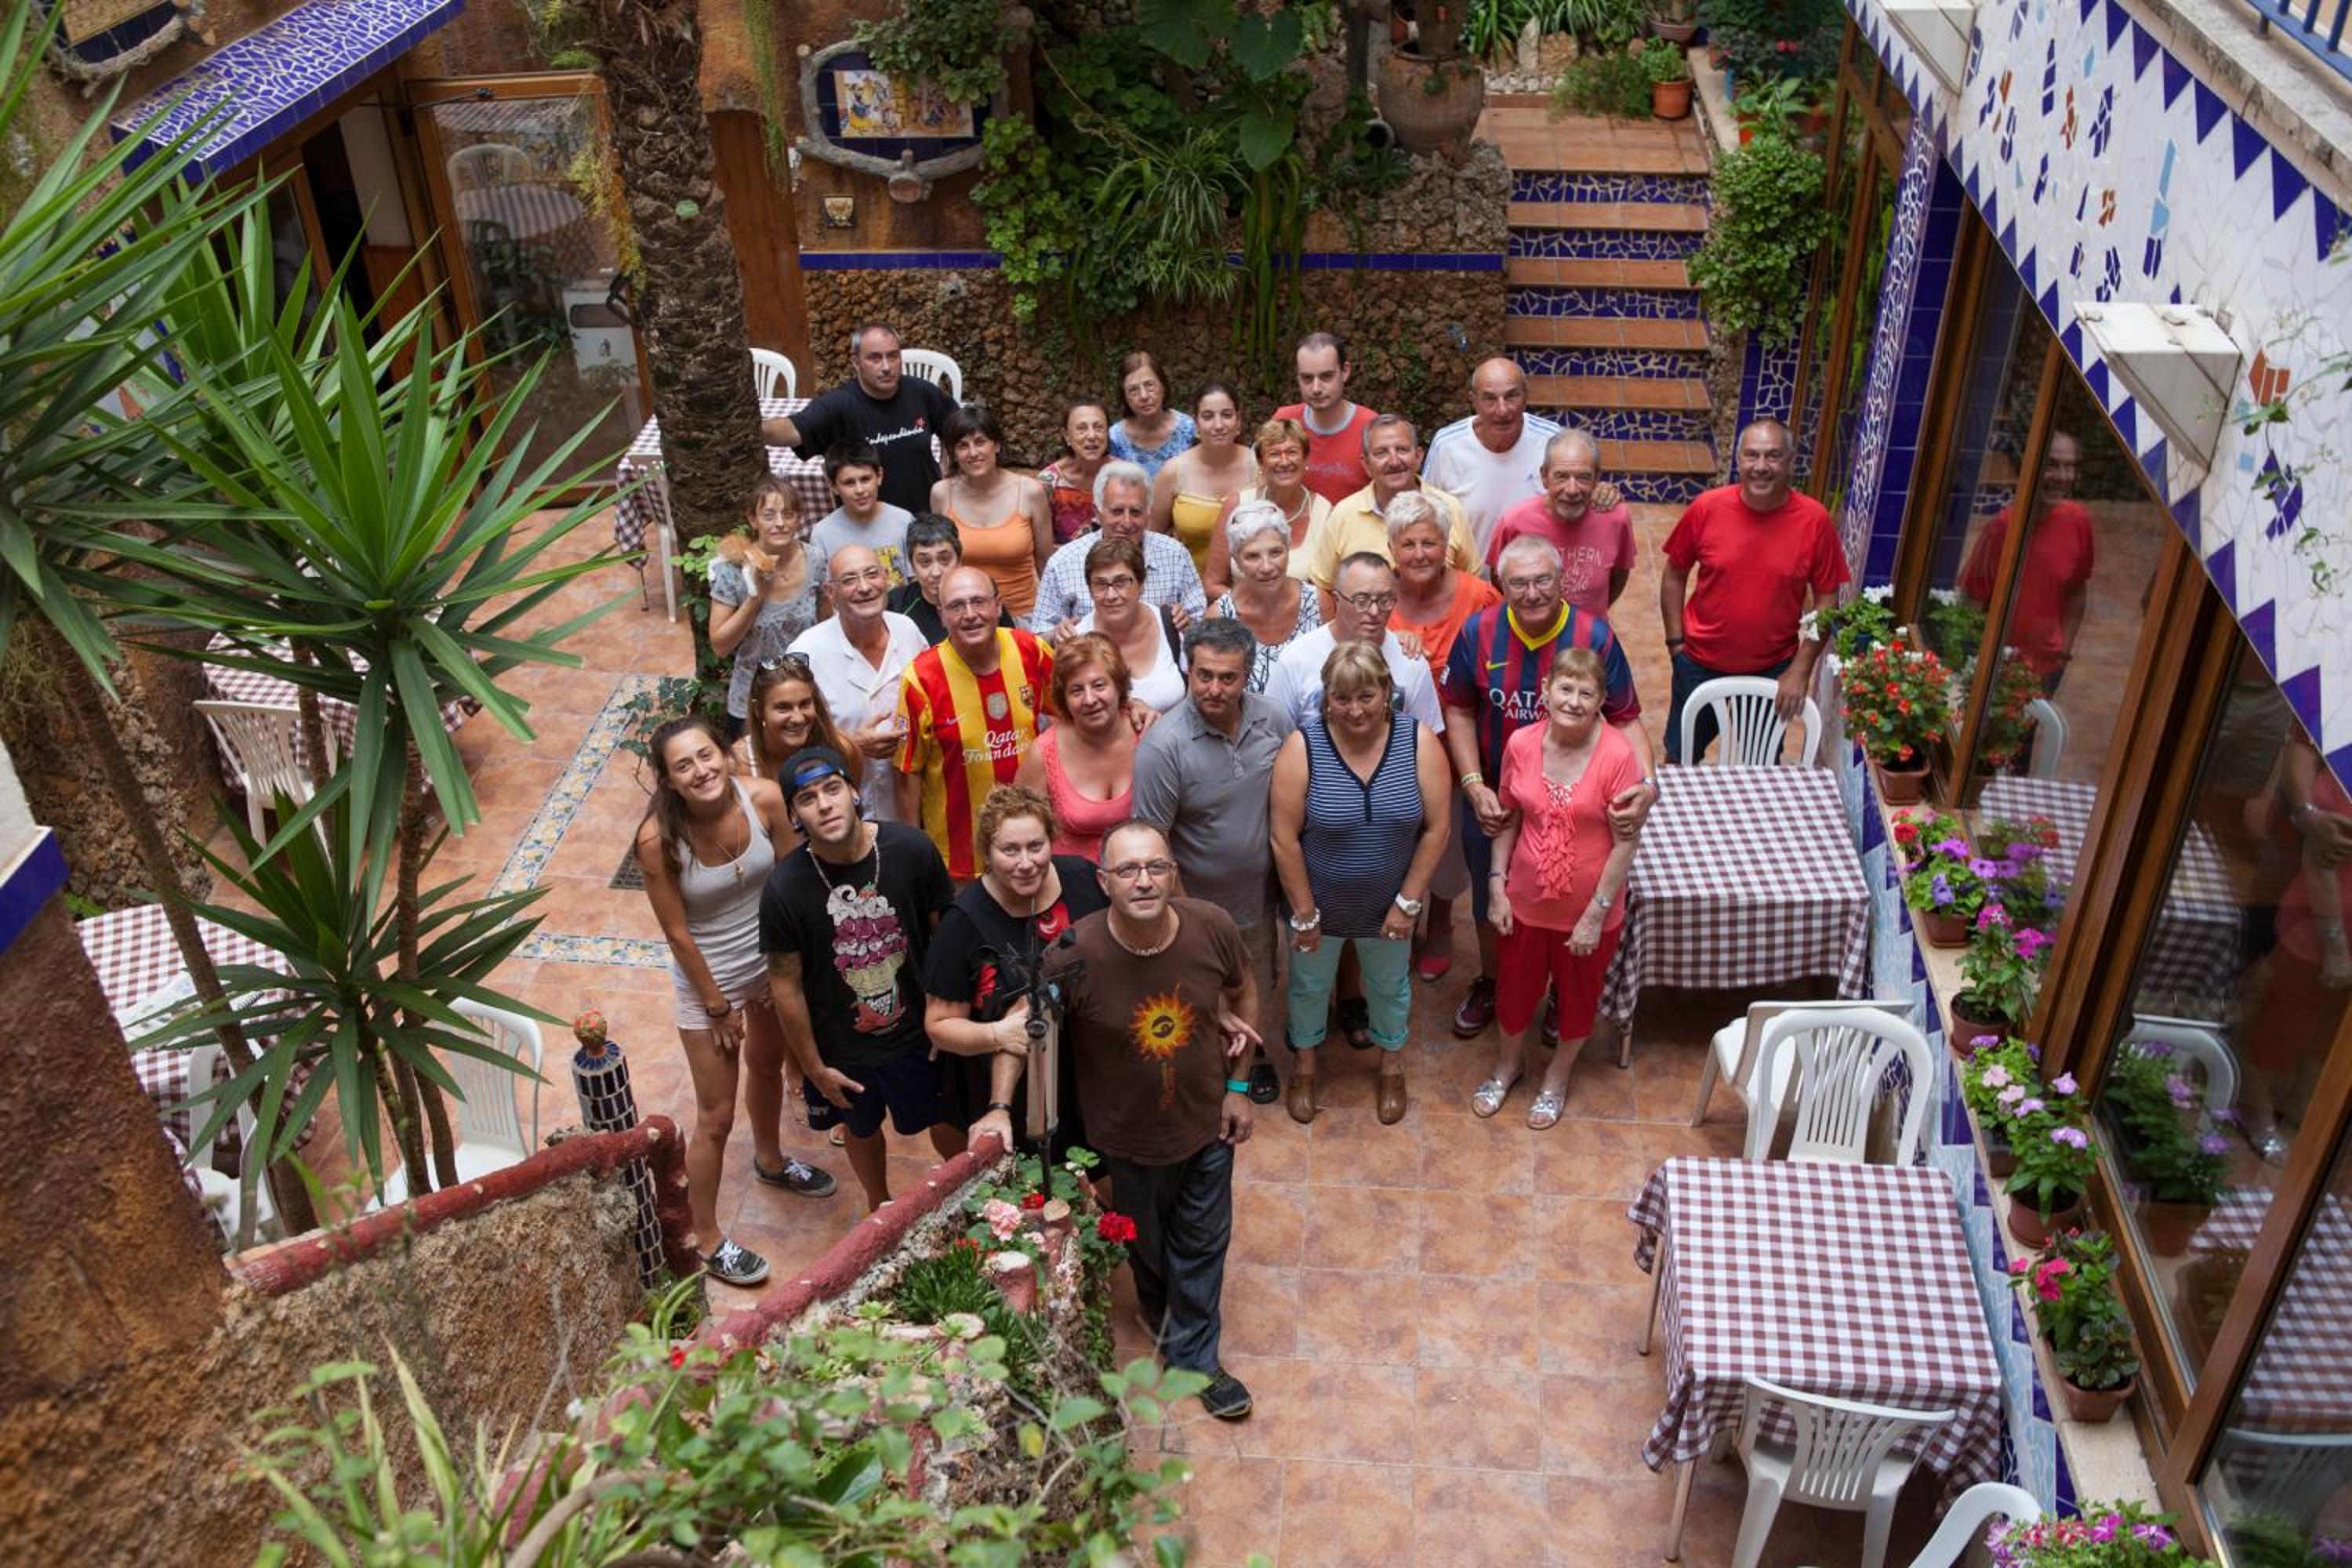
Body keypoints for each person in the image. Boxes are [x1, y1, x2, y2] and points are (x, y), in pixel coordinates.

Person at [1022, 818, 1258, 1422]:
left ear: (1173, 873)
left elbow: (1245, 990)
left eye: (1156, 866)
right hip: (1124, 1140)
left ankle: (1198, 1361)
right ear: (1104, 882)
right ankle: (1157, 1307)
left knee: (1202, 1245)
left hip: (1207, 1124)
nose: (1144, 880)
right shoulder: (1070, 955)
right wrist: (1033, 1129)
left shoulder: (1212, 926)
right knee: (1147, 1247)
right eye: (1128, 870)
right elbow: (1037, 1043)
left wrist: (1238, 1087)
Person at [636, 717, 834, 1290]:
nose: (701, 771)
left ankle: (771, 1161)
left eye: (707, 755)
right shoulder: (656, 840)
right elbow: (677, 933)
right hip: (710, 978)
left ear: (725, 754)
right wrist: (718, 1006)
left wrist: (788, 964)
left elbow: (795, 882)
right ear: (668, 781)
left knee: (768, 1066)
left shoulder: (765, 798)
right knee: (716, 1116)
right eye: (684, 765)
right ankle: (705, 1238)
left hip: (770, 959)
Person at [1443, 535, 1657, 1036]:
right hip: (1499, 800)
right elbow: (1458, 707)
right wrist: (1473, 785)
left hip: (1580, 802)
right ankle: (1494, 981)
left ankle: (1564, 989)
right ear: (1501, 584)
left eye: (1543, 580)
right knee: (1493, 896)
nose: (1532, 592)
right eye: (1519, 582)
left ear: (1562, 580)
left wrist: (1648, 785)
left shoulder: (1595, 636)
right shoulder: (1478, 632)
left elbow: (1625, 716)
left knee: (1571, 895)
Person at [762, 746, 960, 1210]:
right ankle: (878, 1204)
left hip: (918, 1033)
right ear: (793, 815)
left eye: (832, 789)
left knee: (946, 1118)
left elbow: (947, 939)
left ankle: (969, 1192)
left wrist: (947, 1022)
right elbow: (785, 985)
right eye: (807, 798)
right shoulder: (784, 889)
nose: (824, 805)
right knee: (861, 1126)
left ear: (854, 792)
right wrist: (813, 1066)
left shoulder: (911, 850)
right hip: (842, 1048)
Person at [1269, 644, 1451, 1127]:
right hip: (1318, 907)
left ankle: (1391, 1066)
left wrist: (1408, 904)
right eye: (1342, 697)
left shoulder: (1418, 742)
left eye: (1366, 696)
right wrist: (1304, 914)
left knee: (1390, 987)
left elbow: (1437, 828)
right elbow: (1283, 838)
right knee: (1308, 987)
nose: (1355, 710)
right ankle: (1305, 1068)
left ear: (1387, 693)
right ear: (1326, 698)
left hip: (1389, 906)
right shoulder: (1302, 748)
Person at [1475, 646, 1642, 1128]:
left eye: (1586, 693)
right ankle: (1509, 1065)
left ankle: (1557, 1077)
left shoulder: (1618, 756)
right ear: (1545, 692)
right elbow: (1509, 817)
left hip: (1589, 913)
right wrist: (1497, 886)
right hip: (1525, 904)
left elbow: (1625, 843)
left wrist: (1595, 914)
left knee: (1578, 1000)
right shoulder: (1522, 744)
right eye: (1565, 689)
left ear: (1601, 701)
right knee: (1513, 993)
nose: (1573, 701)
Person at [1132, 618, 1294, 1104]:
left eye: (1228, 677)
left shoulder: (1274, 720)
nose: (1214, 689)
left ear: (1248, 675)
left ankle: (1252, 1060)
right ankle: (1210, 1066)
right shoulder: (1163, 747)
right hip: (1196, 904)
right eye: (1204, 675)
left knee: (1256, 980)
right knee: (1204, 990)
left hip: (1260, 898)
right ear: (1188, 669)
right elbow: (1154, 843)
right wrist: (1186, 915)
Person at [921, 785, 1108, 1157]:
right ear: (988, 854)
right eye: (1010, 850)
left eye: (1036, 846)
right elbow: (939, 1026)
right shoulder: (963, 922)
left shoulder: (1084, 880)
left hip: (1085, 1069)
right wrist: (997, 1034)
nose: (1026, 863)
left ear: (1052, 841)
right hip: (1006, 1083)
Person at [1659, 419, 1849, 763]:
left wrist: (1801, 668)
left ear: (1791, 461)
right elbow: (1675, 573)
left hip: (1773, 668)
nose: (1761, 466)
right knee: (1679, 759)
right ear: (1738, 460)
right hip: (1698, 661)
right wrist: (1676, 644)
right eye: (1752, 455)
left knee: (1759, 765)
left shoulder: (1815, 521)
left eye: (1773, 456)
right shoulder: (1707, 508)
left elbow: (1827, 598)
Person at [1386, 491, 1501, 981]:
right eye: (1408, 544)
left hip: (1456, 753)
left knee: (1448, 845)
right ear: (1391, 549)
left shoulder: (1479, 597)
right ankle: (1401, 915)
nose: (1419, 554)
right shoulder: (1378, 597)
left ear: (1447, 545)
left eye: (1429, 543)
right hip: (1391, 753)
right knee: (1396, 841)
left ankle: (1439, 922)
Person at [894, 568, 1056, 881]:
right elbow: (907, 771)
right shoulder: (921, 678)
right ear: (941, 616)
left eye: (979, 601)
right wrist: (914, 853)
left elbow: (1071, 715)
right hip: (959, 861)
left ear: (998, 605)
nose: (970, 614)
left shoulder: (1032, 650)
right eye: (956, 606)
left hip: (1032, 850)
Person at [788, 546, 927, 820]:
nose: (864, 587)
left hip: (912, 806)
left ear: (886, 578)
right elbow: (787, 740)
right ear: (831, 592)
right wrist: (851, 745)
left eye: (872, 574)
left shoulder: (907, 630)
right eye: (849, 580)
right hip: (842, 814)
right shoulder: (807, 652)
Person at [762, 323, 956, 514]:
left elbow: (959, 427)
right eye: (875, 358)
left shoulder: (922, 392)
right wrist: (749, 429)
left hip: (925, 518)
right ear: (856, 363)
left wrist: (947, 469)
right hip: (866, 525)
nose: (886, 367)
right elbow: (790, 430)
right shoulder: (837, 405)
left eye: (893, 356)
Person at [1958, 429, 2095, 693]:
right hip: (1997, 674)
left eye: (2069, 467)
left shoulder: (2079, 521)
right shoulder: (2002, 528)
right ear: (2031, 466)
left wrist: (2062, 655)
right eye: (2052, 465)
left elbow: (2077, 592)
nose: (2062, 476)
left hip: (2045, 673)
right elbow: (1972, 604)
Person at [1293, 415, 1480, 596]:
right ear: (1366, 463)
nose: (1394, 461)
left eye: (1402, 450)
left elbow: (1472, 583)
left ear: (1418, 456)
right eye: (1381, 453)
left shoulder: (1449, 509)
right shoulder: (1344, 515)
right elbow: (1322, 590)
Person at [1262, 554, 1445, 734]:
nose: (1374, 611)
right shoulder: (1296, 659)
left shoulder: (1410, 659)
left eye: (1384, 601)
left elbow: (1426, 739)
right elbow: (1273, 736)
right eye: (1361, 601)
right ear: (1337, 600)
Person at [1030, 460, 1207, 637]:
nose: (1127, 522)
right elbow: (1039, 634)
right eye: (1117, 511)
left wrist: (1187, 624)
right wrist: (1056, 635)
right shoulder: (1064, 562)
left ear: (1148, 513)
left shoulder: (1175, 555)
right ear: (1097, 512)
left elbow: (1201, 625)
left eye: (1136, 512)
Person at [709, 476, 822, 732]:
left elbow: (824, 627)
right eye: (769, 516)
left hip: (804, 699)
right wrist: (755, 597)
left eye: (788, 514)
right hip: (752, 701)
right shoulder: (733, 571)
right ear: (753, 519)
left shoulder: (815, 560)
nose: (780, 523)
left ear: (799, 518)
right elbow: (720, 646)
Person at [1421, 358, 1562, 559]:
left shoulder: (1552, 440)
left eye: (1511, 396)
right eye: (1490, 399)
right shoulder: (1448, 445)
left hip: (1537, 575)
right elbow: (1426, 515)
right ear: (1474, 400)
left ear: (1526, 396)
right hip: (1470, 576)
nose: (1502, 410)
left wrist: (1602, 494)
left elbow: (1578, 497)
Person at [1487, 429, 1635, 617]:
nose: (1572, 490)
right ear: (1544, 477)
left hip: (1589, 633)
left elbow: (1619, 576)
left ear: (1597, 478)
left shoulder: (1616, 518)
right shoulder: (1514, 523)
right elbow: (1498, 578)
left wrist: (1587, 619)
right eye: (1561, 477)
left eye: (1583, 477)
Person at [1015, 633, 1138, 862]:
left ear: (1119, 686)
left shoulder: (1147, 734)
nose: (1089, 700)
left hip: (1141, 877)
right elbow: (1021, 834)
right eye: (1076, 691)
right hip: (1072, 880)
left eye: (1099, 685)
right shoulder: (1044, 753)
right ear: (1063, 698)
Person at [931, 402, 1053, 622]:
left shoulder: (1030, 492)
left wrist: (1051, 617)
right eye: (963, 446)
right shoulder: (941, 494)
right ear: (953, 453)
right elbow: (939, 561)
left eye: (980, 442)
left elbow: (1045, 562)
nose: (973, 453)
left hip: (1023, 614)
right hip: (967, 618)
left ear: (996, 445)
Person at [1207, 417, 1332, 601]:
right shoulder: (1237, 506)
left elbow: (1328, 593)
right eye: (1274, 454)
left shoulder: (1325, 513)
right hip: (1243, 614)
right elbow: (1212, 584)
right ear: (1261, 462)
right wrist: (1252, 608)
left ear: (1305, 458)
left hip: (1302, 616)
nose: (1284, 461)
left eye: (1292, 452)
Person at [1209, 499, 1323, 693]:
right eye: (1253, 556)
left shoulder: (1318, 604)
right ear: (1236, 560)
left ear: (1288, 550)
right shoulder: (1220, 617)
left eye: (1276, 553)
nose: (1267, 567)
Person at [1065, 535, 1188, 713]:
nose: (1111, 595)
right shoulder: (1076, 642)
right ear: (1090, 590)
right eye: (1100, 585)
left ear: (1141, 584)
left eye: (1121, 583)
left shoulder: (1171, 624)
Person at [1152, 382, 1257, 580]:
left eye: (1226, 415)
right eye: (1208, 417)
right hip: (1189, 588)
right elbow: (1152, 539)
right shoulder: (1173, 472)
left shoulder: (1260, 468)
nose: (1218, 425)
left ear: (1239, 421)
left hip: (1252, 587)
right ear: (1196, 424)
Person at [1274, 332, 1381, 505]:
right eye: (1307, 378)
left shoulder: (1372, 428)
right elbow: (1260, 484)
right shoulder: (1283, 422)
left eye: (1326, 376)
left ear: (1345, 371)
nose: (1316, 388)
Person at [735, 655, 856, 792]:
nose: (798, 719)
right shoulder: (739, 766)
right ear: (759, 710)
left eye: (805, 704)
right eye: (783, 707)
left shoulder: (841, 749)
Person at [890, 513, 1015, 645]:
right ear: (913, 567)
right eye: (925, 562)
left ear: (959, 560)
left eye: (944, 560)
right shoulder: (898, 604)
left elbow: (1011, 645)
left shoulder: (983, 596)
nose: (936, 572)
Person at [809, 442, 914, 589]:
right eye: (849, 483)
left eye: (865, 479)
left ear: (879, 476)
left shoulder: (903, 521)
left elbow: (915, 578)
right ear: (833, 487)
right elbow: (823, 591)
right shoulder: (822, 534)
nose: (860, 490)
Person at [1106, 350, 1195, 479]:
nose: (1144, 396)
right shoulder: (1115, 439)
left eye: (1149, 385)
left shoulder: (1188, 430)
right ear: (1124, 396)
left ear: (1163, 386)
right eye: (1133, 390)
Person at [1037, 396, 1113, 544]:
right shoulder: (1049, 482)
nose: (1092, 436)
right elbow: (1044, 544)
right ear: (1067, 436)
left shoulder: (1125, 476)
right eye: (1081, 428)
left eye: (1098, 427)